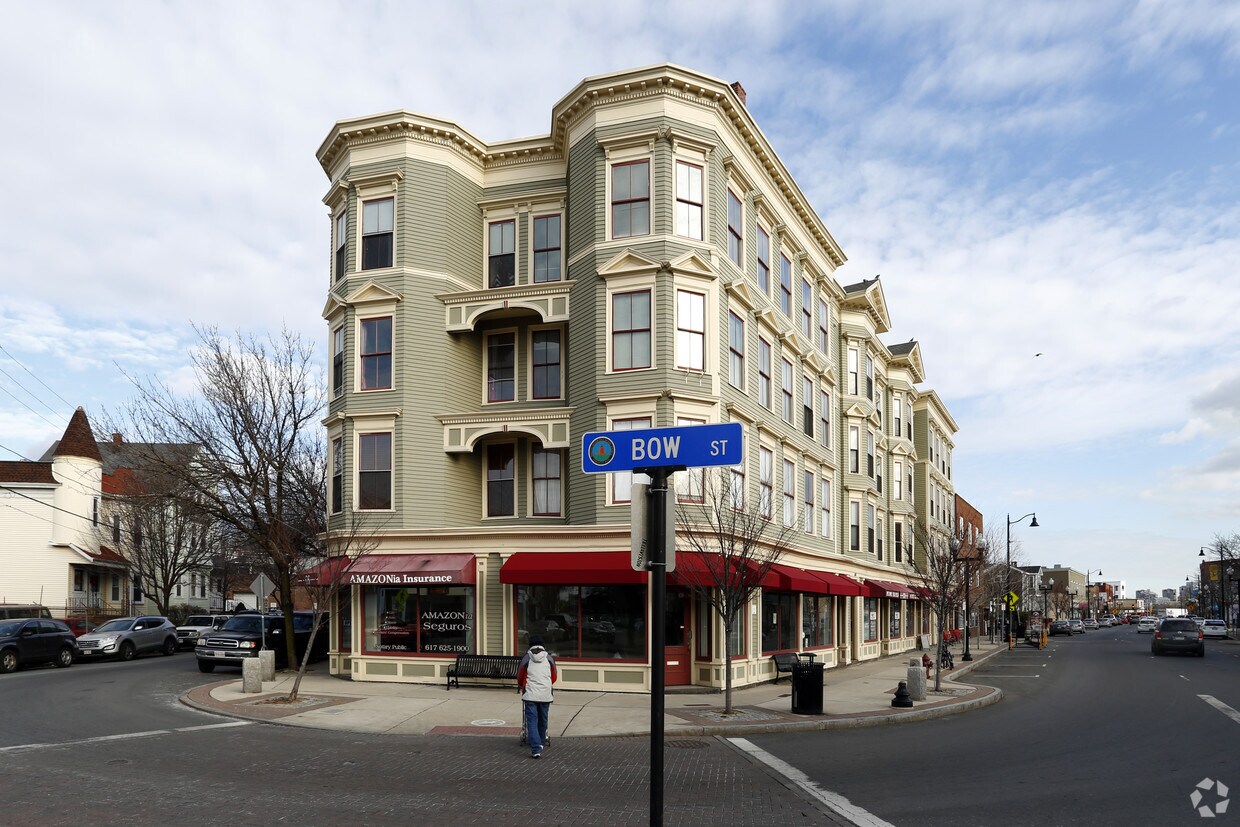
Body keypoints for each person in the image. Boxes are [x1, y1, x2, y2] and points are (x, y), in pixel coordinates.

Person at [517, 635, 557, 759]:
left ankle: (535, 748)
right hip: (545, 694)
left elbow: (519, 676)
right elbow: (554, 677)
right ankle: (541, 741)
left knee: (532, 720)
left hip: (530, 694)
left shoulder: (526, 658)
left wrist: (522, 685)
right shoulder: (549, 658)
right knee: (543, 719)